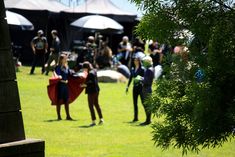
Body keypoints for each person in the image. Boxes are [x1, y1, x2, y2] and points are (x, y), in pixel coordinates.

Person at [81, 61, 104, 126]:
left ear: (86, 68)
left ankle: (93, 121)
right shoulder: (94, 71)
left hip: (92, 91)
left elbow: (91, 83)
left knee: (91, 106)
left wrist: (84, 85)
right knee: (96, 104)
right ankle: (101, 119)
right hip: (96, 90)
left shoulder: (90, 73)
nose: (84, 70)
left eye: (84, 68)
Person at [126, 53, 145, 122]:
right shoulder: (133, 68)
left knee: (143, 102)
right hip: (135, 87)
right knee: (135, 103)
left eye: (136, 60)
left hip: (141, 88)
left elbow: (144, 78)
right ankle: (135, 117)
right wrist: (127, 86)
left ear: (139, 61)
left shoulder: (142, 69)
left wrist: (140, 78)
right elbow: (131, 78)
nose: (135, 61)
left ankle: (147, 117)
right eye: (134, 60)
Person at [136, 55, 154, 125]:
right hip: (148, 88)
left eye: (143, 62)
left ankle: (148, 120)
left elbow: (146, 81)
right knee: (147, 105)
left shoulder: (149, 70)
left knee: (146, 105)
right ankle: (148, 120)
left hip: (146, 89)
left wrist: (140, 79)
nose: (142, 63)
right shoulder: (151, 68)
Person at [53, 54, 73, 120]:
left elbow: (70, 74)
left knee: (66, 101)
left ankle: (68, 116)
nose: (66, 59)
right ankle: (59, 116)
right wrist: (58, 76)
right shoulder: (58, 67)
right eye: (65, 58)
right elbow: (57, 74)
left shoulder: (66, 67)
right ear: (61, 60)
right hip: (60, 86)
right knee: (59, 101)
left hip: (66, 86)